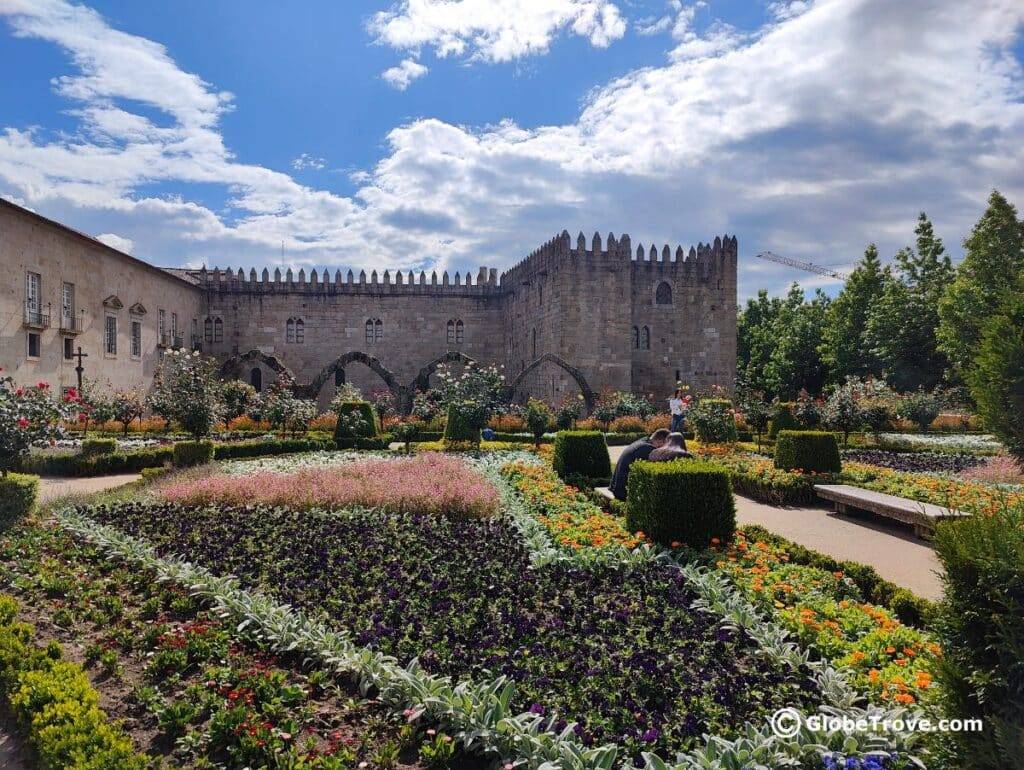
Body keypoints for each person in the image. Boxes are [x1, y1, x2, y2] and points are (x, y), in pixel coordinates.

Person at [610, 428, 670, 500]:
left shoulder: (643, 441)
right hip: (623, 493)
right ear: (661, 442)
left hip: (616, 488)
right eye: (667, 445)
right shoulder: (648, 449)